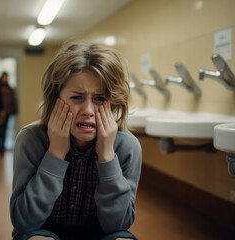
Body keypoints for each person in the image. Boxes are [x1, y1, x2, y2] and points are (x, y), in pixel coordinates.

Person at [10, 42, 142, 240]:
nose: (88, 110)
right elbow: (25, 221)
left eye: (99, 99)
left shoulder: (126, 146)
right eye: (77, 97)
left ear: (113, 101)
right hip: (45, 231)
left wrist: (107, 156)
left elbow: (119, 225)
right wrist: (55, 153)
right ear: (56, 99)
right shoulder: (31, 139)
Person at [0, 72, 18, 155]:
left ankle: (2, 148)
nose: (5, 78)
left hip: (8, 112)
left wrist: (14, 110)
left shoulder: (10, 88)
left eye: (6, 77)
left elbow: (13, 100)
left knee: (4, 130)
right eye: (4, 77)